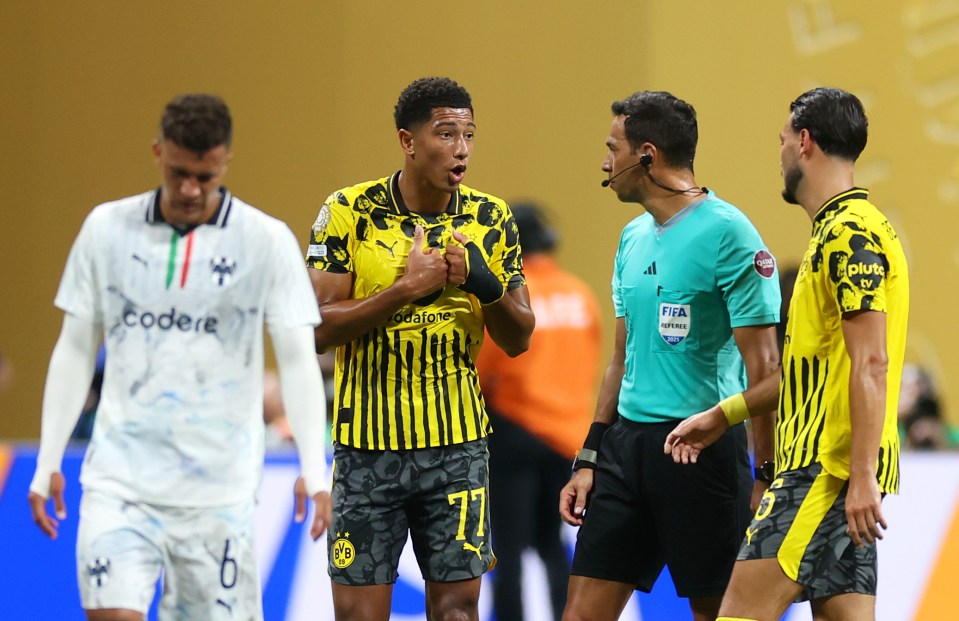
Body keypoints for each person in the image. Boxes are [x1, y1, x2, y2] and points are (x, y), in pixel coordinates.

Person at [28, 94, 331, 621]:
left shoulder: (266, 240)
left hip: (220, 495)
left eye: (205, 177)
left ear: (226, 161)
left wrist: (314, 468)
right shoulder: (105, 229)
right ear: (157, 153)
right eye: (179, 174)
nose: (191, 189)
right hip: (120, 485)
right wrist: (48, 459)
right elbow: (75, 348)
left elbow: (298, 359)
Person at [665, 87, 910, 621]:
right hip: (838, 472)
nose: (778, 155)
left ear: (804, 142)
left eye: (781, 140)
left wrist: (861, 476)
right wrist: (723, 414)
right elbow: (808, 372)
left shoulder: (848, 234)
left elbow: (872, 363)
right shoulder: (847, 231)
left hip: (827, 471)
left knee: (737, 614)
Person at [305, 77, 535, 621]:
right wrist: (404, 289)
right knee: (359, 616)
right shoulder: (349, 211)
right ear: (408, 141)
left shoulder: (490, 218)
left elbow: (520, 337)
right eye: (446, 134)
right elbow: (314, 329)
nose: (462, 149)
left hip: (457, 450)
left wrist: (482, 280)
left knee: (457, 612)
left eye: (469, 135)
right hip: (366, 449)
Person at [558, 91, 782, 621]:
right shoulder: (631, 237)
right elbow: (620, 358)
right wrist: (590, 456)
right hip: (625, 452)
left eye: (612, 148)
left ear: (647, 155)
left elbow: (766, 372)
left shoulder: (731, 234)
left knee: (717, 615)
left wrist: (764, 474)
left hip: (701, 453)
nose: (605, 162)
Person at [475, 202, 601, 621]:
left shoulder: (510, 298)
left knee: (507, 549)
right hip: (568, 437)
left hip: (515, 431)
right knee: (552, 545)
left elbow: (482, 369)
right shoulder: (581, 295)